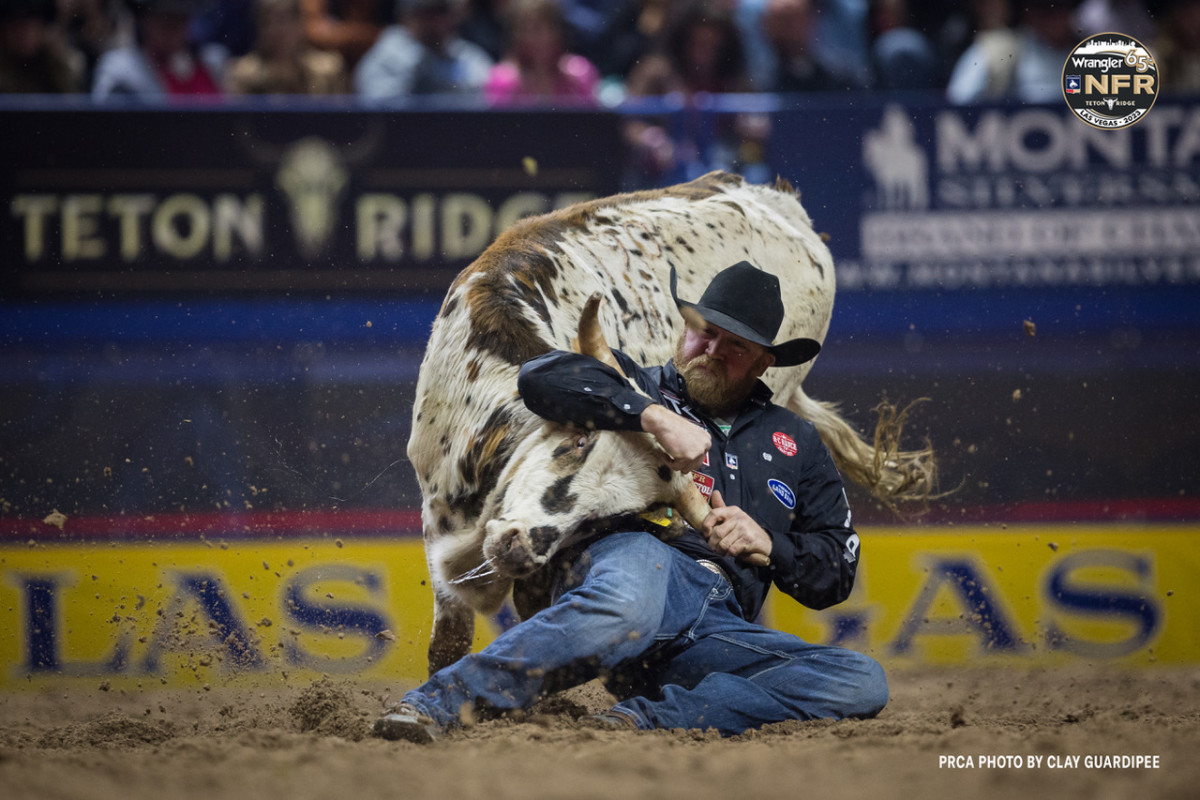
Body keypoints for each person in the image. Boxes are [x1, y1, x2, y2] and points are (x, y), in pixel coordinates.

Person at [373, 261, 888, 742]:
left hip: (718, 621)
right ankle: (435, 702)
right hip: (631, 561)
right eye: (704, 331)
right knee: (626, 606)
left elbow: (836, 571)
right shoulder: (635, 384)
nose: (711, 349)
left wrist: (770, 545)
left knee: (860, 680)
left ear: (765, 362)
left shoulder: (797, 440)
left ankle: (643, 719)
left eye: (734, 345)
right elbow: (539, 379)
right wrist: (653, 417)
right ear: (686, 327)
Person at [945, 0, 1081, 105]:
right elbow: (957, 104)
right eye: (1044, 8)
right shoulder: (998, 51)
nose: (1053, 18)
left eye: (1060, 7)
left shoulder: (1093, 52)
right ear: (1029, 12)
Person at [354, 0, 493, 97]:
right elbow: (382, 113)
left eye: (441, 11)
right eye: (426, 12)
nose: (436, 20)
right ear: (406, 15)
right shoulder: (385, 57)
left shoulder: (466, 54)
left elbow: (489, 98)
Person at [92, 0, 227, 99]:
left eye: (181, 16)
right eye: (164, 16)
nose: (173, 25)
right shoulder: (120, 70)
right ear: (146, 19)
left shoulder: (213, 62)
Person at [483, 0, 600, 105]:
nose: (543, 37)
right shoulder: (502, 80)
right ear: (515, 34)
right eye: (530, 29)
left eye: (549, 26)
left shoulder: (580, 74)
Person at [225, 0, 349, 94]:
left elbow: (342, 122)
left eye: (284, 20)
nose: (277, 30)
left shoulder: (330, 69)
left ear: (301, 24)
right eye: (267, 22)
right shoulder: (242, 74)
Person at [0, 0, 85, 93]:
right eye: (16, 26)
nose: (23, 34)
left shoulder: (55, 66)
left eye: (31, 27)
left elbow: (70, 101)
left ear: (42, 28)